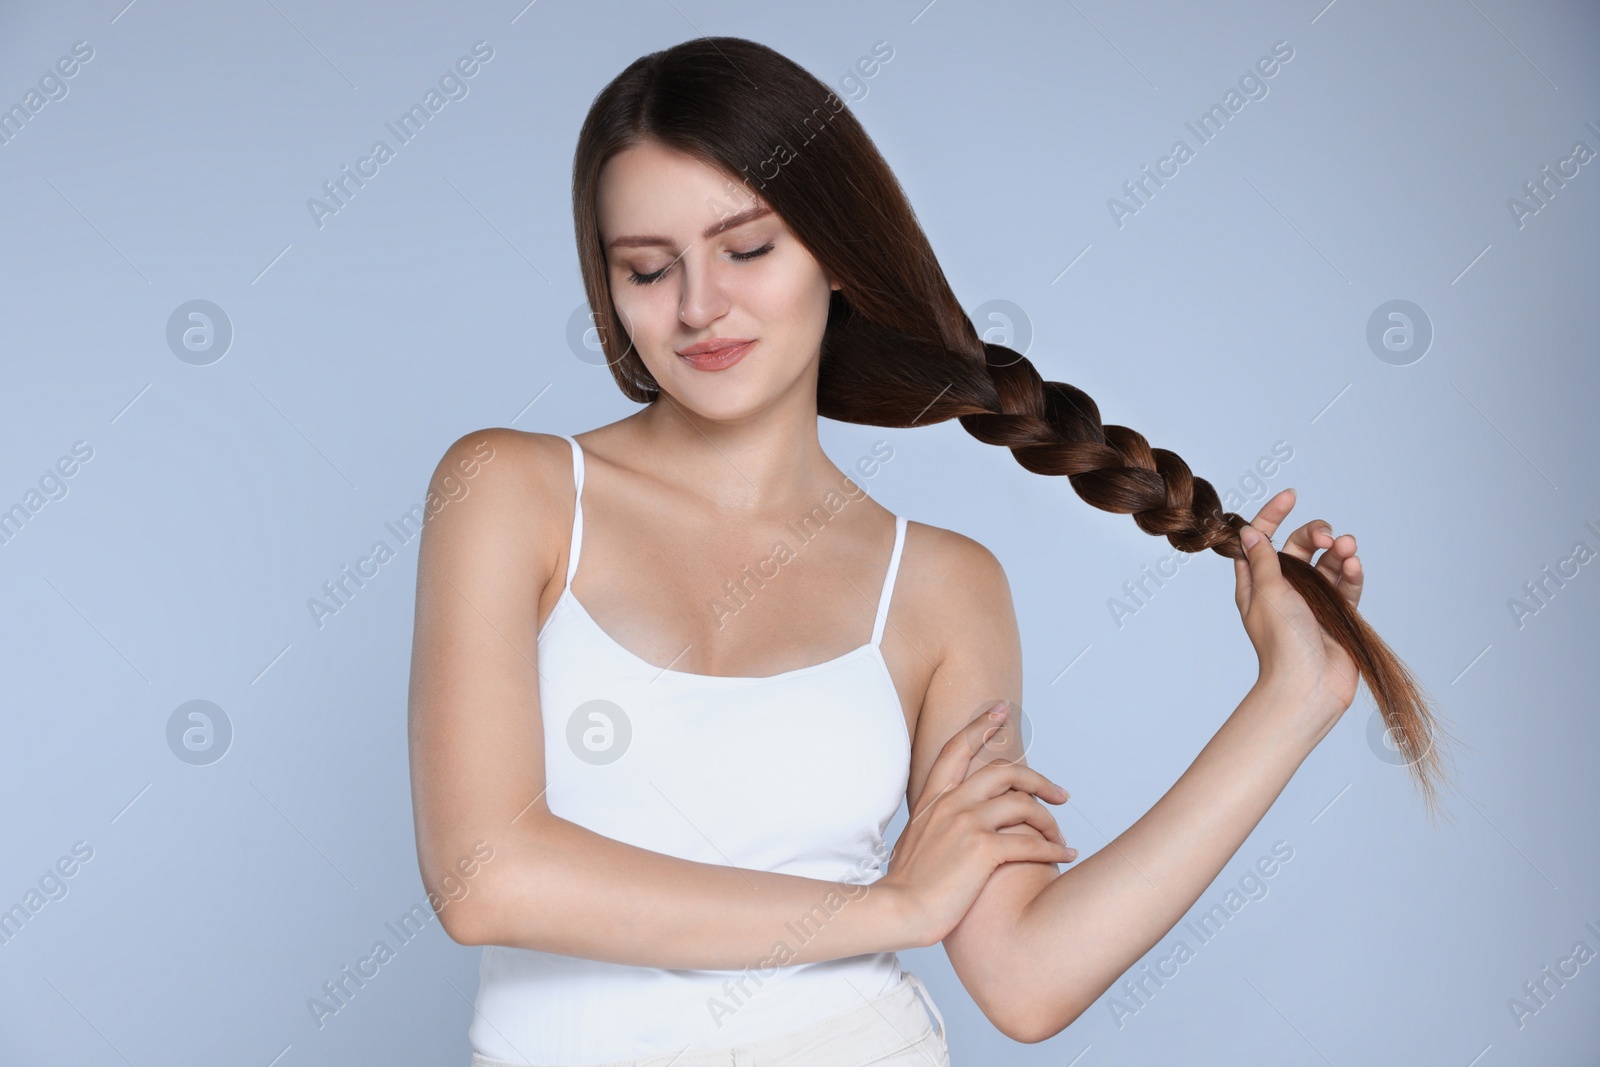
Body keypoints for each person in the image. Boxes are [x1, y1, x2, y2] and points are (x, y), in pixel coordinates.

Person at [406, 36, 1450, 1066]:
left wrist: (1291, 700)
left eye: (748, 248)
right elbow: (483, 875)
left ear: (835, 254)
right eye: (646, 267)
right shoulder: (510, 488)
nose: (695, 306)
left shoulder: (942, 585)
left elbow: (1024, 976)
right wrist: (892, 903)